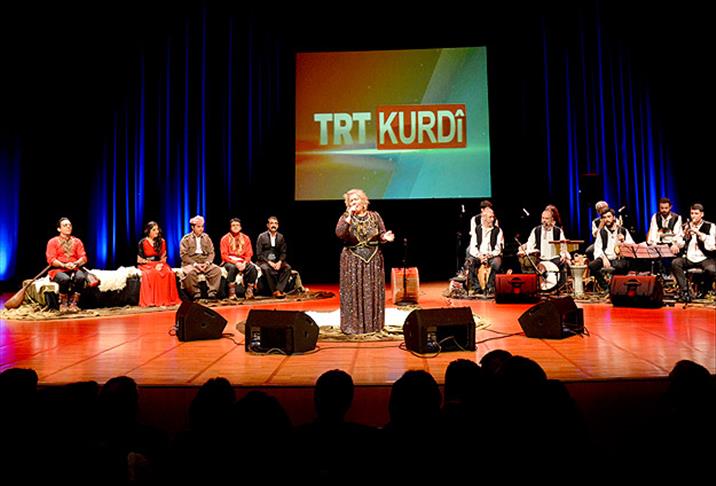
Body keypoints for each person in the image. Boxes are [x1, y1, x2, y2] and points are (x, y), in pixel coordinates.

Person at [335, 188, 394, 334]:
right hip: (352, 260)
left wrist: (385, 237)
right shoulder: (345, 217)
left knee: (371, 291)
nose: (354, 203)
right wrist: (349, 217)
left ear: (363, 201)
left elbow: (381, 234)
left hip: (373, 259)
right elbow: (340, 233)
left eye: (356, 199)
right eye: (351, 201)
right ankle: (353, 326)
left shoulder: (374, 216)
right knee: (354, 292)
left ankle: (373, 325)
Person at [671, 203, 716, 302]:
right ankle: (685, 291)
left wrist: (698, 233)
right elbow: (678, 242)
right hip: (689, 258)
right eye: (692, 213)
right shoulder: (685, 226)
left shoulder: (710, 226)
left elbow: (712, 246)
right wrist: (677, 243)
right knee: (675, 263)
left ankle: (705, 290)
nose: (693, 216)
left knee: (712, 270)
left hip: (704, 257)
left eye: (696, 213)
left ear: (702, 214)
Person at [46, 217, 88, 312]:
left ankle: (74, 303)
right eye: (65, 225)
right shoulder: (52, 242)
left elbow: (84, 258)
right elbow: (51, 259)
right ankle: (63, 304)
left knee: (81, 277)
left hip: (74, 268)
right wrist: (64, 265)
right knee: (64, 279)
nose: (68, 227)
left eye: (70, 225)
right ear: (59, 229)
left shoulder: (77, 241)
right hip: (58, 269)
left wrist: (76, 263)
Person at [518, 208, 571, 283]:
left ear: (552, 219)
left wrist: (563, 255)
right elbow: (530, 245)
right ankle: (534, 284)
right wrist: (527, 251)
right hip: (540, 259)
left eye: (546, 218)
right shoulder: (536, 230)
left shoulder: (558, 231)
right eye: (543, 218)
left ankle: (561, 285)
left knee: (563, 262)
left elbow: (563, 246)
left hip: (554, 258)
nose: (544, 220)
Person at [588, 208, 634, 290]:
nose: (607, 219)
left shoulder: (623, 230)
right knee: (592, 266)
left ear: (613, 217)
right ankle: (606, 287)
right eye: (604, 217)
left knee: (621, 265)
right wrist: (603, 258)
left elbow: (632, 246)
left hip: (619, 259)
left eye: (609, 216)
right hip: (606, 258)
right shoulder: (601, 232)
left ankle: (618, 287)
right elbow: (598, 247)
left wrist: (623, 241)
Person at [137, 221, 180, 307]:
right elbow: (140, 259)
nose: (157, 231)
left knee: (169, 273)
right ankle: (153, 300)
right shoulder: (142, 242)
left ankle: (167, 299)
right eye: (154, 230)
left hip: (160, 264)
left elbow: (163, 257)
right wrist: (151, 263)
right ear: (148, 231)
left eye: (157, 229)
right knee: (153, 273)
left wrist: (160, 264)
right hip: (146, 265)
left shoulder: (162, 241)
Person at [180, 215, 222, 300]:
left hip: (204, 261)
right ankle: (196, 293)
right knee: (189, 273)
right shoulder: (186, 239)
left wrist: (207, 263)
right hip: (191, 263)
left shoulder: (207, 238)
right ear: (193, 227)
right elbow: (184, 255)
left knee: (216, 270)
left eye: (202, 226)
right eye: (198, 227)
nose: (201, 229)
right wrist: (195, 264)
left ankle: (212, 293)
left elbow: (211, 253)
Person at [465, 207, 503, 295]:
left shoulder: (498, 231)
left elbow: (498, 249)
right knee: (469, 263)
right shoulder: (476, 230)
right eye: (490, 217)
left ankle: (490, 286)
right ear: (484, 218)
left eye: (493, 217)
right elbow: (473, 247)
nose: (492, 219)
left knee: (497, 263)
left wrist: (489, 255)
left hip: (491, 255)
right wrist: (480, 256)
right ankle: (476, 287)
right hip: (479, 255)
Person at [220, 218, 259, 300]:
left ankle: (249, 291)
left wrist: (244, 263)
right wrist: (235, 263)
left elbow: (249, 254)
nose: (235, 227)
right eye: (233, 225)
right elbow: (224, 256)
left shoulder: (246, 238)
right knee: (232, 267)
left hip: (243, 261)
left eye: (237, 225)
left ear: (240, 227)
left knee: (252, 268)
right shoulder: (225, 239)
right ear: (230, 227)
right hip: (229, 261)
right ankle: (231, 292)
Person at [255, 216, 291, 298]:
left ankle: (279, 290)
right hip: (264, 261)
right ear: (267, 225)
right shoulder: (261, 236)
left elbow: (283, 252)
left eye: (275, 223)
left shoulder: (281, 237)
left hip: (277, 261)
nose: (273, 225)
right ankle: (274, 291)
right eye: (271, 223)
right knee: (265, 268)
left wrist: (280, 262)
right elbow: (259, 254)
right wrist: (269, 262)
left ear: (278, 225)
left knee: (288, 268)